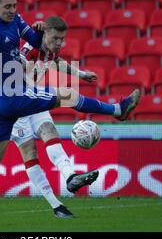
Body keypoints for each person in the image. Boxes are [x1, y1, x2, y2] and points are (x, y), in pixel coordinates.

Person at [0, 0, 140, 223]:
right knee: (66, 96)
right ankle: (118, 110)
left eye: (15, 5)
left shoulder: (16, 20)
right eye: (8, 7)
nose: (13, 10)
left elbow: (38, 44)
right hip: (14, 96)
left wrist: (41, 32)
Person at [11, 16, 100, 218]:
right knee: (31, 154)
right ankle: (55, 205)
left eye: (62, 39)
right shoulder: (29, 48)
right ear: (45, 33)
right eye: (56, 38)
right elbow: (17, 62)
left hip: (34, 97)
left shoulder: (51, 49)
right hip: (15, 105)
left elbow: (55, 62)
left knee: (50, 132)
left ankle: (70, 178)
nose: (59, 42)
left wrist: (81, 74)